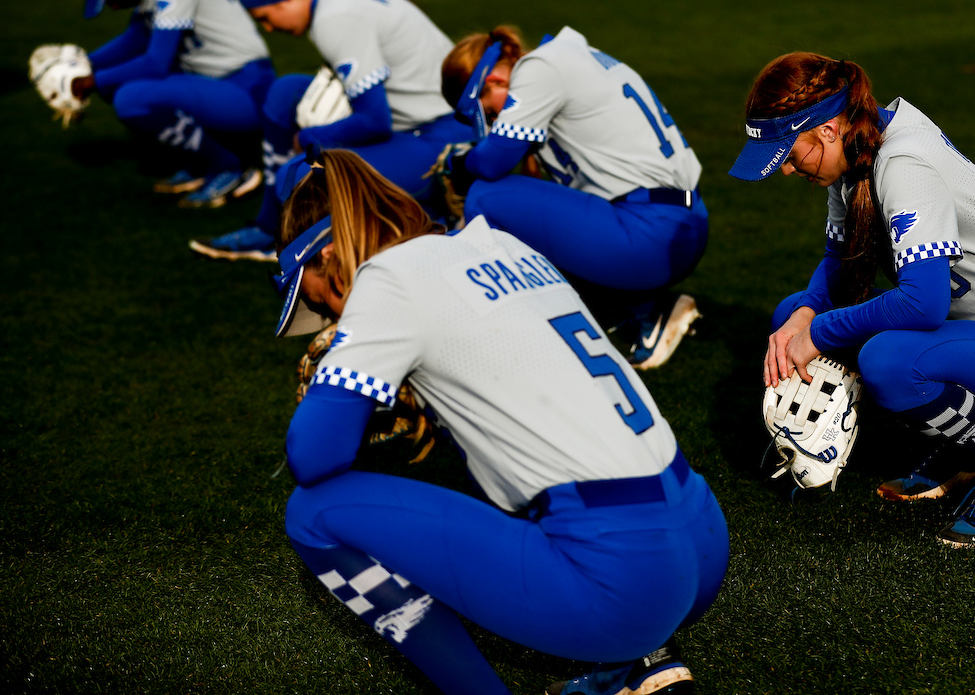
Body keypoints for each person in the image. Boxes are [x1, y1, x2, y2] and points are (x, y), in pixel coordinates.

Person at [271, 149, 728, 695]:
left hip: (623, 575)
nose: (325, 318)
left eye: (318, 300)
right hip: (701, 536)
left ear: (327, 257)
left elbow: (314, 456)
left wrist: (339, 379)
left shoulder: (387, 277)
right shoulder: (501, 244)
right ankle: (633, 664)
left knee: (313, 512)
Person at [730, 52, 975, 548]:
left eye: (788, 152)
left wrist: (817, 333)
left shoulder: (902, 161)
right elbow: (837, 270)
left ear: (826, 131)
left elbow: (923, 305)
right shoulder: (861, 145)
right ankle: (963, 445)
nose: (786, 170)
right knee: (793, 315)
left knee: (889, 360)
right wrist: (803, 317)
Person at [438, 26, 708, 370]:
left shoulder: (539, 69)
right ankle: (644, 307)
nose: (492, 120)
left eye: (488, 112)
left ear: (493, 80)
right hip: (678, 221)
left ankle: (507, 333)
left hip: (650, 235)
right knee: (528, 210)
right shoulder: (567, 56)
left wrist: (459, 164)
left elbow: (492, 162)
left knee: (485, 195)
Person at [189, 0, 473, 261]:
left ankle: (428, 214)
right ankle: (270, 226)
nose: (268, 29)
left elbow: (373, 122)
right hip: (429, 125)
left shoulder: (335, 18)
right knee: (284, 93)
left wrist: (310, 138)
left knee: (296, 176)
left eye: (265, 18)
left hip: (442, 143)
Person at [68, 0, 273, 207]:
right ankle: (202, 161)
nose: (111, 5)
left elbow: (155, 63)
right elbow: (135, 38)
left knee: (130, 97)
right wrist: (83, 65)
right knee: (120, 87)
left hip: (247, 89)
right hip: (221, 85)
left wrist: (91, 81)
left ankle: (231, 166)